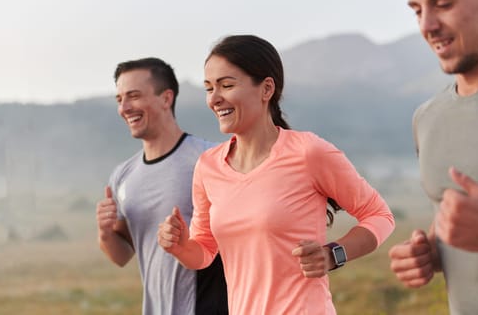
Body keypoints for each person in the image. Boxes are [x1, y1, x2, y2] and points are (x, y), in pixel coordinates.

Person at [157, 35, 395, 314]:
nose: (215, 99)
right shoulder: (208, 167)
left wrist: (333, 255)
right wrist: (180, 245)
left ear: (266, 88)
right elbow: (204, 251)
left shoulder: (309, 152)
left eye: (227, 85)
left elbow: (380, 215)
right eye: (209, 88)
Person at [388, 0, 478, 313]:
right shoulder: (428, 117)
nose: (427, 25)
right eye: (418, 10)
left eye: (443, 4)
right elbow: (456, 221)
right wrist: (432, 251)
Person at [96, 57, 228, 315]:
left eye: (133, 96)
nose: (124, 107)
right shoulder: (123, 176)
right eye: (119, 99)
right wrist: (105, 234)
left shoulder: (210, 159)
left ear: (166, 98)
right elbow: (122, 255)